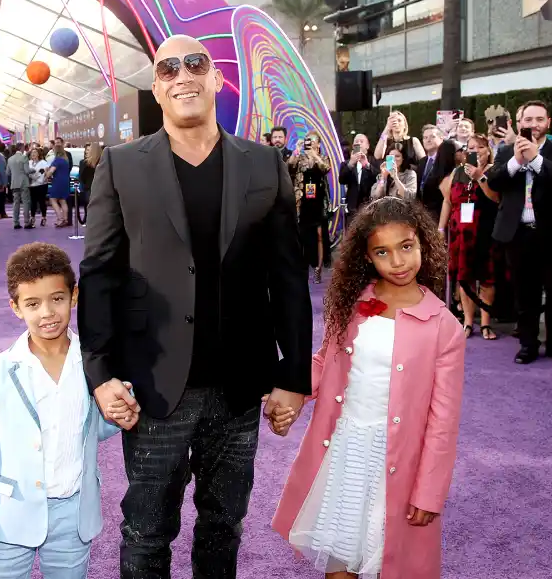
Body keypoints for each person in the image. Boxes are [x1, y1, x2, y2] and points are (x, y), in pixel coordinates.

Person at [78, 34, 313, 578]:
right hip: (153, 387)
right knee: (146, 531)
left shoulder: (263, 164)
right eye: (168, 69)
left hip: (239, 387)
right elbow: (99, 275)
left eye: (195, 64)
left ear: (217, 79)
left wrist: (293, 374)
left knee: (223, 527)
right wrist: (99, 373)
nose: (183, 75)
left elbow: (287, 276)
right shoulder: (121, 166)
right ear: (157, 89)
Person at [272, 196, 465, 579]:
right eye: (383, 252)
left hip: (398, 463)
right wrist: (288, 396)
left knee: (389, 561)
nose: (398, 261)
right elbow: (323, 365)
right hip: (346, 452)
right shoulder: (353, 306)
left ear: (423, 244)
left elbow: (443, 423)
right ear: (367, 258)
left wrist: (429, 492)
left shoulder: (445, 327)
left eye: (406, 247)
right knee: (339, 561)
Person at [0, 242, 136, 577]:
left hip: (72, 514)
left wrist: (119, 417)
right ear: (16, 307)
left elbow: (90, 426)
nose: (47, 312)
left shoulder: (93, 362)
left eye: (56, 299)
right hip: (9, 519)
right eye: (33, 303)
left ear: (73, 296)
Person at [487, 100, 552, 365]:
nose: (533, 125)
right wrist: (516, 160)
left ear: (548, 122)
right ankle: (527, 343)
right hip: (518, 233)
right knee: (525, 293)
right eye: (528, 120)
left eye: (539, 119)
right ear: (519, 123)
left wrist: (535, 158)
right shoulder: (505, 152)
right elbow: (494, 182)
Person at [438, 134, 501, 339]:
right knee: (464, 278)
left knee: (486, 278)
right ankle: (467, 322)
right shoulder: (456, 172)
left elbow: (496, 198)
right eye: (470, 149)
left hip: (485, 231)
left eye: (479, 148)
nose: (474, 152)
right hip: (460, 233)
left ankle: (485, 323)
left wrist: (479, 176)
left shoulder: (494, 171)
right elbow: (447, 201)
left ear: (488, 150)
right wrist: (440, 229)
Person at [289, 130, 332, 283]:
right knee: (302, 236)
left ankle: (318, 269)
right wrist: (297, 149)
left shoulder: (323, 157)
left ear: (318, 144)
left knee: (320, 235)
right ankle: (302, 267)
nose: (309, 143)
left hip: (318, 202)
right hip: (303, 201)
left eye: (312, 140)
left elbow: (326, 168)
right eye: (307, 140)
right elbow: (290, 166)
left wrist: (314, 155)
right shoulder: (300, 158)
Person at [338, 133, 376, 228]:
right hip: (352, 209)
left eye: (361, 141)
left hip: (369, 208)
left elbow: (379, 177)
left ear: (367, 146)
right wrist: (351, 163)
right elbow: (342, 180)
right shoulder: (346, 163)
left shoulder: (373, 162)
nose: (358, 143)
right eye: (356, 141)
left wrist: (367, 165)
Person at [416, 124, 446, 220]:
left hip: (439, 211)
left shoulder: (445, 161)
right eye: (425, 137)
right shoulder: (421, 162)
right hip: (422, 210)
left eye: (432, 137)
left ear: (441, 139)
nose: (428, 140)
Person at [46, 142, 71, 227]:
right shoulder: (65, 161)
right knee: (63, 200)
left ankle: (60, 219)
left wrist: (47, 173)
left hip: (58, 182)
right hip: (65, 182)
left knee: (53, 199)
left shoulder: (57, 160)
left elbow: (51, 171)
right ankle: (65, 219)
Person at [6, 143, 31, 229]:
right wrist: (34, 170)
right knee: (25, 202)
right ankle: (27, 222)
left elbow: (8, 173)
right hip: (24, 183)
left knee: (16, 203)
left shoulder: (10, 159)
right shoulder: (24, 157)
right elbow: (27, 171)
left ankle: (16, 222)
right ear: (21, 148)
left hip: (14, 183)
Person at [27, 147, 49, 228]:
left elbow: (46, 171)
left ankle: (44, 217)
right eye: (32, 153)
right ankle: (32, 218)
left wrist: (44, 177)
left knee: (42, 201)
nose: (33, 154)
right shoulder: (29, 162)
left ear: (39, 154)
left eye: (35, 152)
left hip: (41, 184)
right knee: (33, 202)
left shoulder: (43, 162)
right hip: (32, 185)